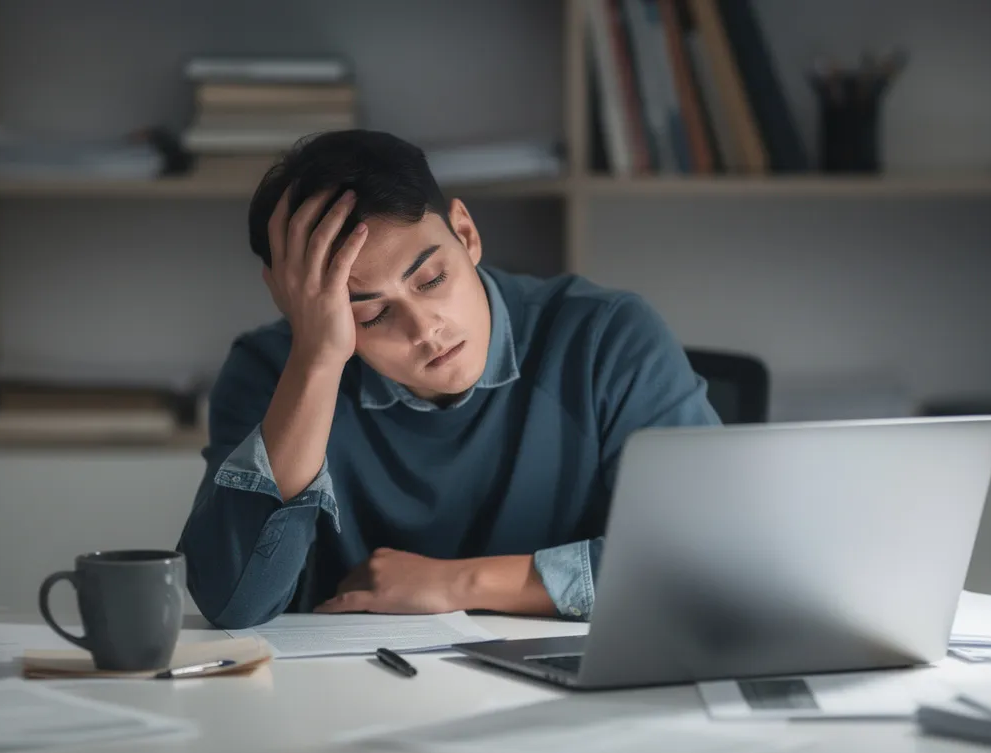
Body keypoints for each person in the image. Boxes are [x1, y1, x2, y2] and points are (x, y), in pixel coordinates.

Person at [177, 129, 720, 630]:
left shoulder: (606, 339)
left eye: (432, 278)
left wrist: (456, 582)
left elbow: (711, 556)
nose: (424, 328)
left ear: (465, 232)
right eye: (370, 315)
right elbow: (234, 603)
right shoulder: (272, 372)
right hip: (351, 700)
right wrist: (316, 360)